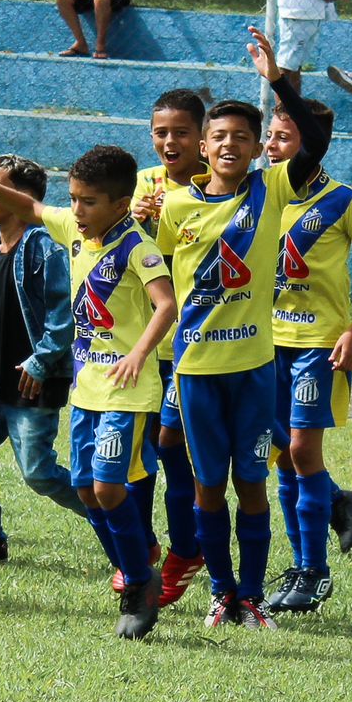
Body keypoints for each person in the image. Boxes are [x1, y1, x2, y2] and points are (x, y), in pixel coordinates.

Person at [0, 145, 176, 640]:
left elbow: (166, 304)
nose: (76, 210)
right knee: (88, 490)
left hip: (127, 392)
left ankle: (138, 581)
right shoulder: (72, 229)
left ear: (120, 205)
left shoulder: (138, 247)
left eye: (88, 202)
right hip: (86, 390)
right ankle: (135, 568)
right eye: (72, 199)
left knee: (108, 488)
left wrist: (138, 353)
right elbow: (30, 207)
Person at [155, 27, 330, 630]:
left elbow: (316, 140)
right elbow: (158, 280)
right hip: (196, 372)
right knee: (208, 488)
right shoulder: (176, 206)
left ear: (259, 149)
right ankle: (221, 593)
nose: (230, 144)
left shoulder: (272, 188)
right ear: (203, 147)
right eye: (220, 137)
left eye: (242, 137)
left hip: (254, 371)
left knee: (252, 484)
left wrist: (276, 78)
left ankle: (251, 597)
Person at [264, 97, 352, 613]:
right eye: (269, 136)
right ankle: (303, 559)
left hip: (317, 343)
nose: (271, 146)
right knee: (281, 456)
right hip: (263, 342)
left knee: (301, 451)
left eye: (283, 138)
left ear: (309, 145)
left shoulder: (341, 200)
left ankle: (315, 571)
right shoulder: (260, 194)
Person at [0, 154, 86, 562]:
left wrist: (40, 362)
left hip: (33, 382)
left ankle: (114, 517)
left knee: (38, 473)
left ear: (20, 196)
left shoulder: (45, 248)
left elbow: (64, 315)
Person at [129, 89, 209, 607]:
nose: (169, 141)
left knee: (171, 446)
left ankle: (186, 549)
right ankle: (142, 549)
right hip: (141, 341)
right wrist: (133, 219)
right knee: (136, 450)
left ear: (202, 138)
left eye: (181, 132)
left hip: (191, 344)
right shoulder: (142, 183)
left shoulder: (215, 186)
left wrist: (168, 223)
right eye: (161, 132)